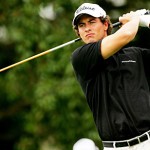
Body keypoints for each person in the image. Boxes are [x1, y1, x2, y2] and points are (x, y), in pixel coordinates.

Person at [71, 2, 150, 150]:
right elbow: (126, 34)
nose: (87, 28)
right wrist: (135, 19)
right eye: (81, 25)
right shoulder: (81, 57)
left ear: (106, 24)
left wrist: (148, 21)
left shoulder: (136, 54)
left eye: (92, 22)